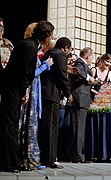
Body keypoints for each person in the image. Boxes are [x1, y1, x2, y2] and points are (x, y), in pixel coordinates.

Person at [0, 20, 55, 173]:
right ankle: (9, 162)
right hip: (11, 88)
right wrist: (24, 89)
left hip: (14, 87)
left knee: (10, 124)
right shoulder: (29, 46)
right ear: (46, 36)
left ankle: (11, 160)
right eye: (51, 36)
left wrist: (24, 88)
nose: (51, 38)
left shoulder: (30, 45)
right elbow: (23, 72)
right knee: (10, 125)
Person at [19, 22, 55, 170]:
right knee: (27, 124)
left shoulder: (32, 48)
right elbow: (30, 73)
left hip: (34, 91)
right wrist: (45, 65)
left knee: (32, 125)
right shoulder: (30, 49)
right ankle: (27, 159)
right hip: (29, 91)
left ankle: (31, 158)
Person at [39, 37, 73, 169]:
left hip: (44, 93)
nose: (69, 52)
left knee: (45, 126)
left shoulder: (49, 53)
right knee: (52, 128)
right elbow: (62, 76)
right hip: (52, 95)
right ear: (65, 47)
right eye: (69, 49)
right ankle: (50, 159)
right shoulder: (61, 56)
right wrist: (68, 93)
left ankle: (44, 156)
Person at [69, 47, 94, 163]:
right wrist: (89, 78)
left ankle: (77, 154)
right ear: (88, 56)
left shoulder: (83, 65)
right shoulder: (79, 63)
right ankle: (78, 155)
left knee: (79, 128)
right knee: (78, 129)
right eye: (91, 58)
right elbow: (79, 73)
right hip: (80, 99)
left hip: (82, 99)